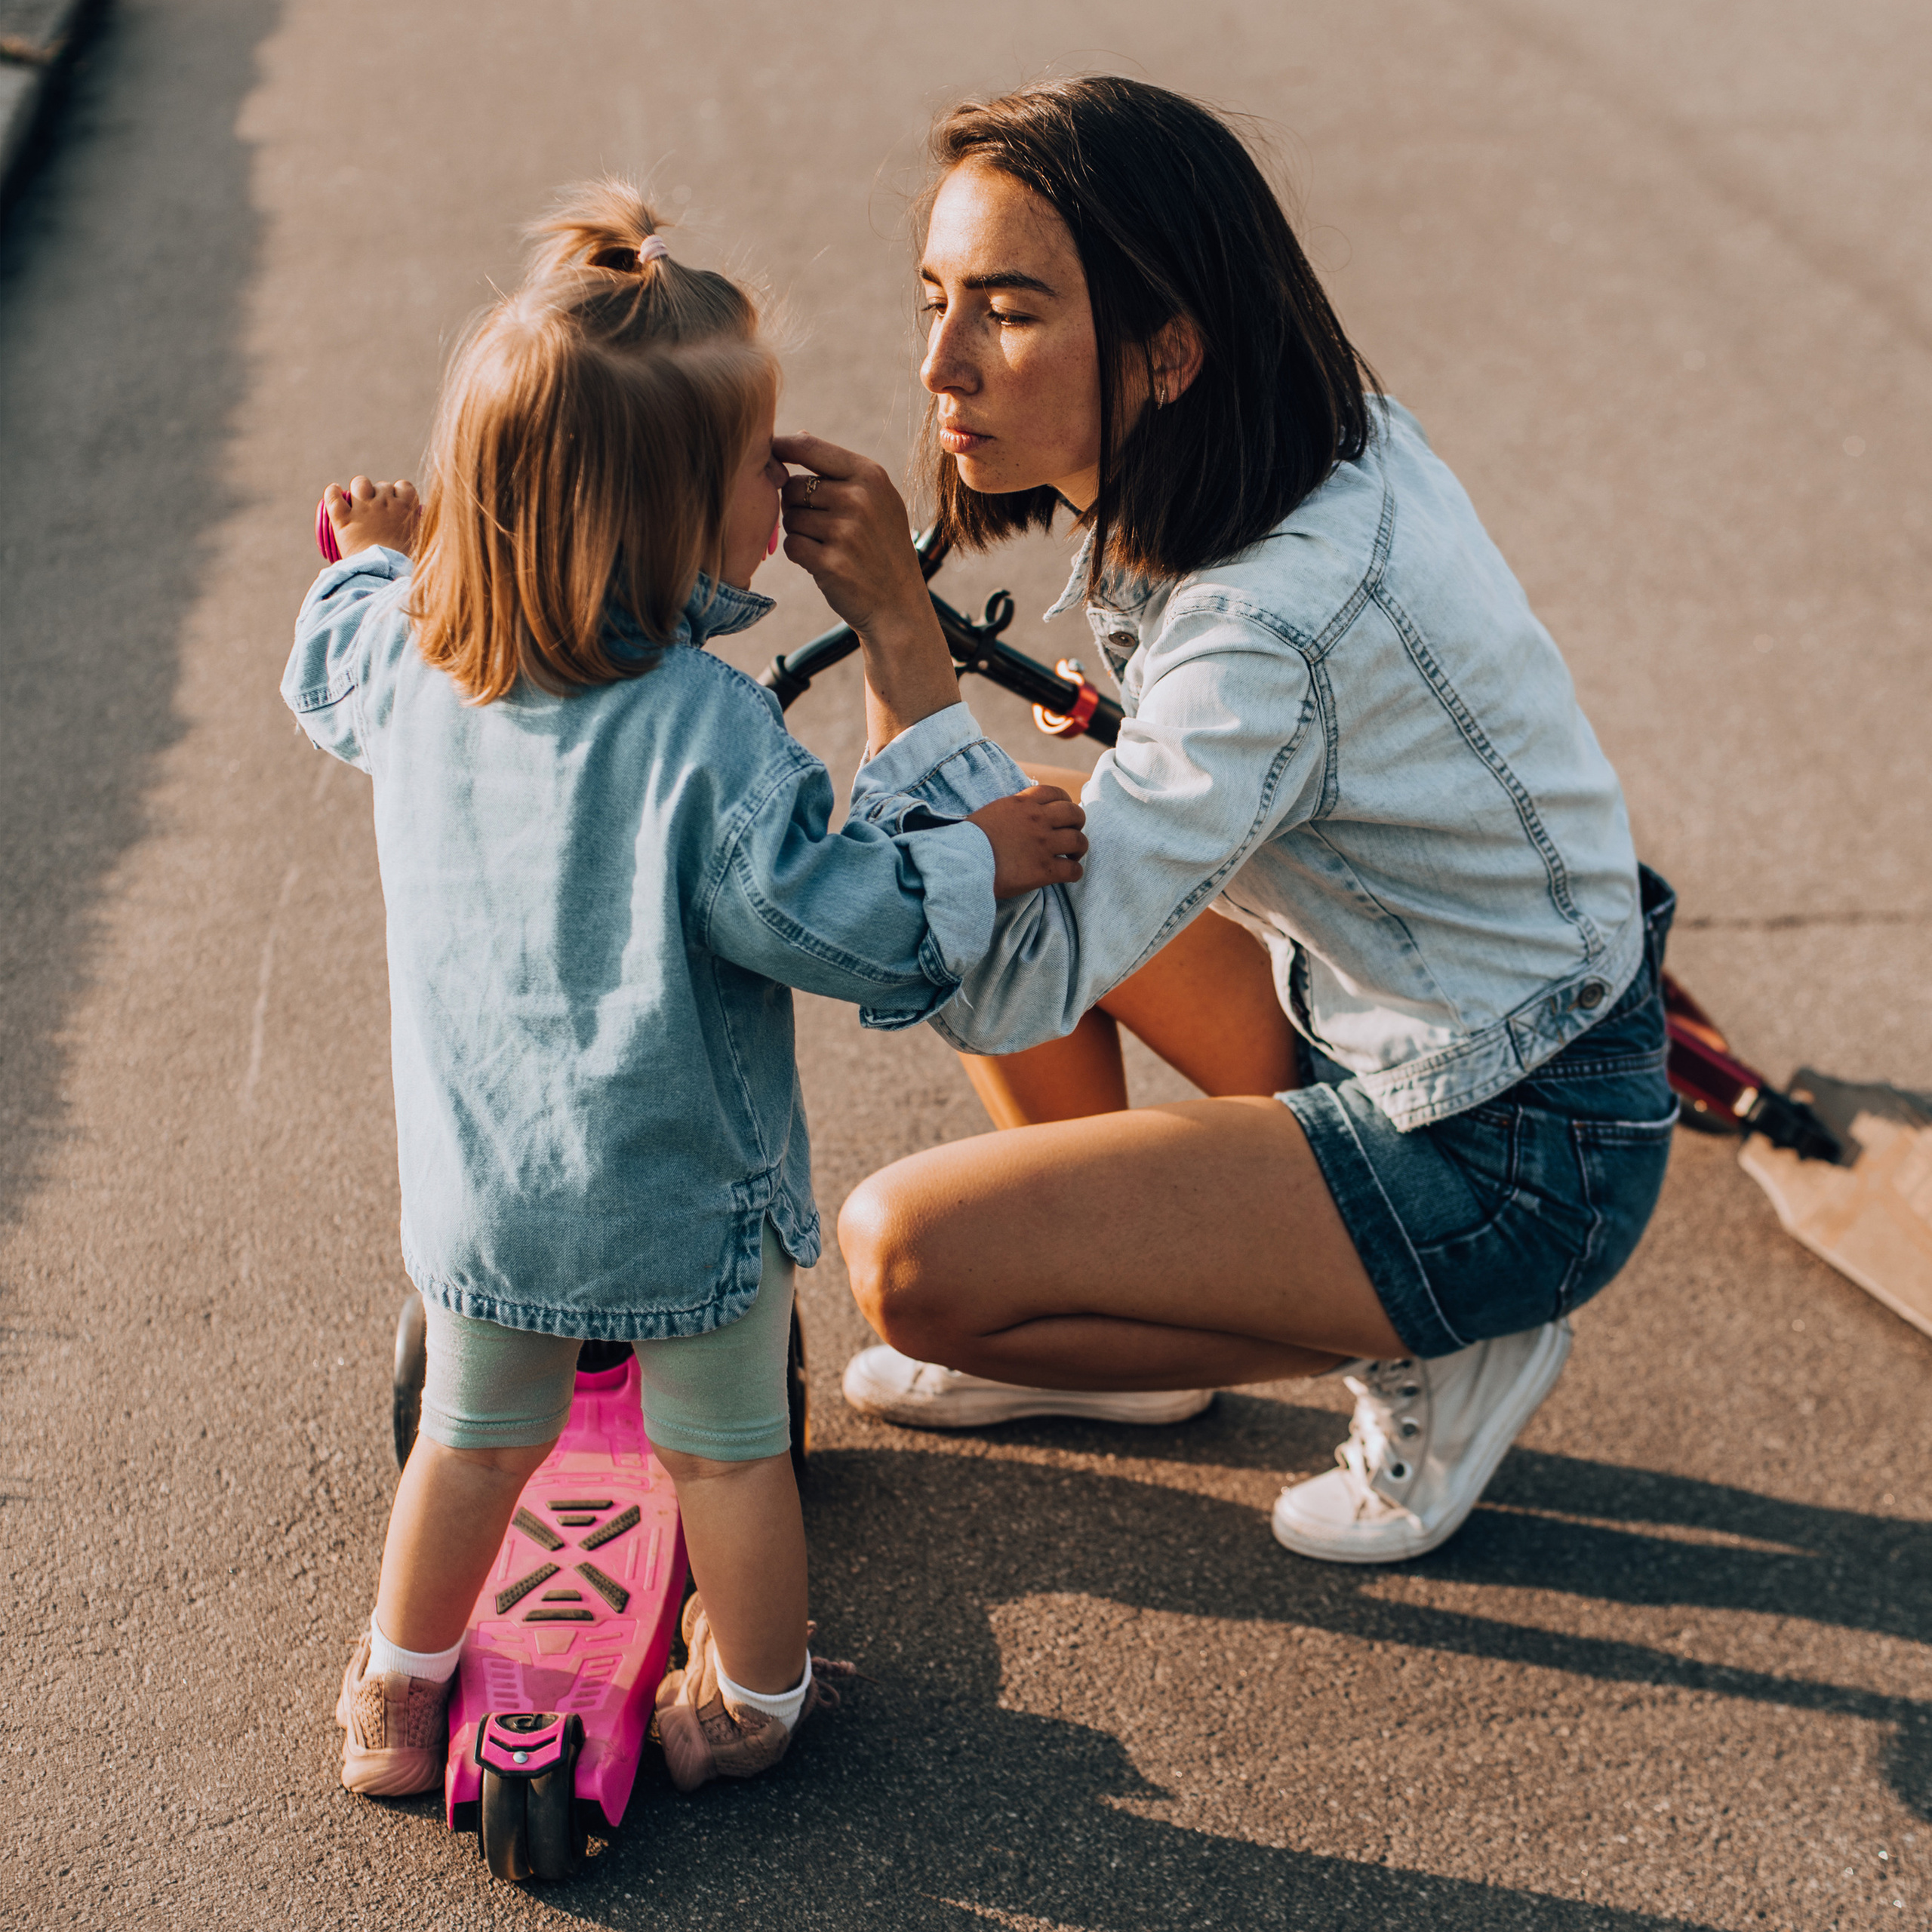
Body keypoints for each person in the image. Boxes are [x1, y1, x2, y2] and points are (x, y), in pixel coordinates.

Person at [778, 76, 1678, 1565]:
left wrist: (896, 636)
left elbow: (984, 975)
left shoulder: (1266, 620)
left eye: (1008, 310)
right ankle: (1115, 1315)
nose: (941, 363)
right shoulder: (1301, 439)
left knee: (908, 1263)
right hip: (1437, 1014)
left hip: (1514, 1149)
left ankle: (1442, 1335)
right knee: (1030, 831)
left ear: (1170, 351)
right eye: (934, 300)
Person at [285, 181, 1087, 1798]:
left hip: (487, 1194)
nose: (779, 482)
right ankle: (757, 1702)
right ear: (665, 520)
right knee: (726, 1458)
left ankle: (395, 1690)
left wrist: (376, 554)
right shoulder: (708, 733)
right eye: (754, 462)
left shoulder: (421, 664)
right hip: (681, 1197)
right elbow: (833, 921)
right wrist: (979, 856)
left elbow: (336, 648)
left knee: (470, 1441)